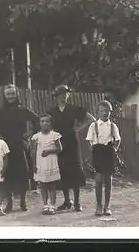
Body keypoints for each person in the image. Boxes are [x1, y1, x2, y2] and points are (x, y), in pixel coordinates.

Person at [0, 84, 39, 213]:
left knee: (23, 174)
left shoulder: (22, 109)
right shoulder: (0, 111)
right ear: (4, 96)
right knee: (6, 174)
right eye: (8, 94)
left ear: (16, 94)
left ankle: (23, 201)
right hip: (5, 146)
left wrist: (29, 133)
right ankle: (9, 203)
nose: (10, 96)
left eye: (12, 94)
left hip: (19, 145)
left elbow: (37, 120)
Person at [47, 84, 95, 212]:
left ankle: (77, 202)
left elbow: (91, 119)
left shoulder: (73, 109)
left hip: (72, 142)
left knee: (75, 171)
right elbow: (46, 124)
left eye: (65, 94)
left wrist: (78, 128)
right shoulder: (52, 111)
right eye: (60, 95)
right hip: (58, 143)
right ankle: (67, 201)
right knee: (62, 171)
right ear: (56, 97)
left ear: (68, 95)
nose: (63, 97)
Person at [85, 100, 121, 216]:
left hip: (108, 153)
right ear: (97, 112)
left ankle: (107, 206)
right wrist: (93, 150)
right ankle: (99, 206)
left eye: (106, 111)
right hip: (98, 153)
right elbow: (89, 140)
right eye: (101, 111)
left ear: (110, 112)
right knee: (98, 180)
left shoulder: (112, 126)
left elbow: (118, 139)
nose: (104, 113)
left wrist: (114, 149)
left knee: (108, 180)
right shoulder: (93, 125)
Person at [31, 114, 63, 215]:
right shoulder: (36, 137)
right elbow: (33, 152)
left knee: (52, 186)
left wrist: (49, 151)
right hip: (41, 164)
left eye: (47, 121)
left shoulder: (55, 135)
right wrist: (34, 165)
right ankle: (45, 205)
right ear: (39, 124)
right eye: (42, 121)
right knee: (43, 185)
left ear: (51, 123)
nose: (45, 123)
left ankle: (52, 205)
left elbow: (59, 149)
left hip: (51, 163)